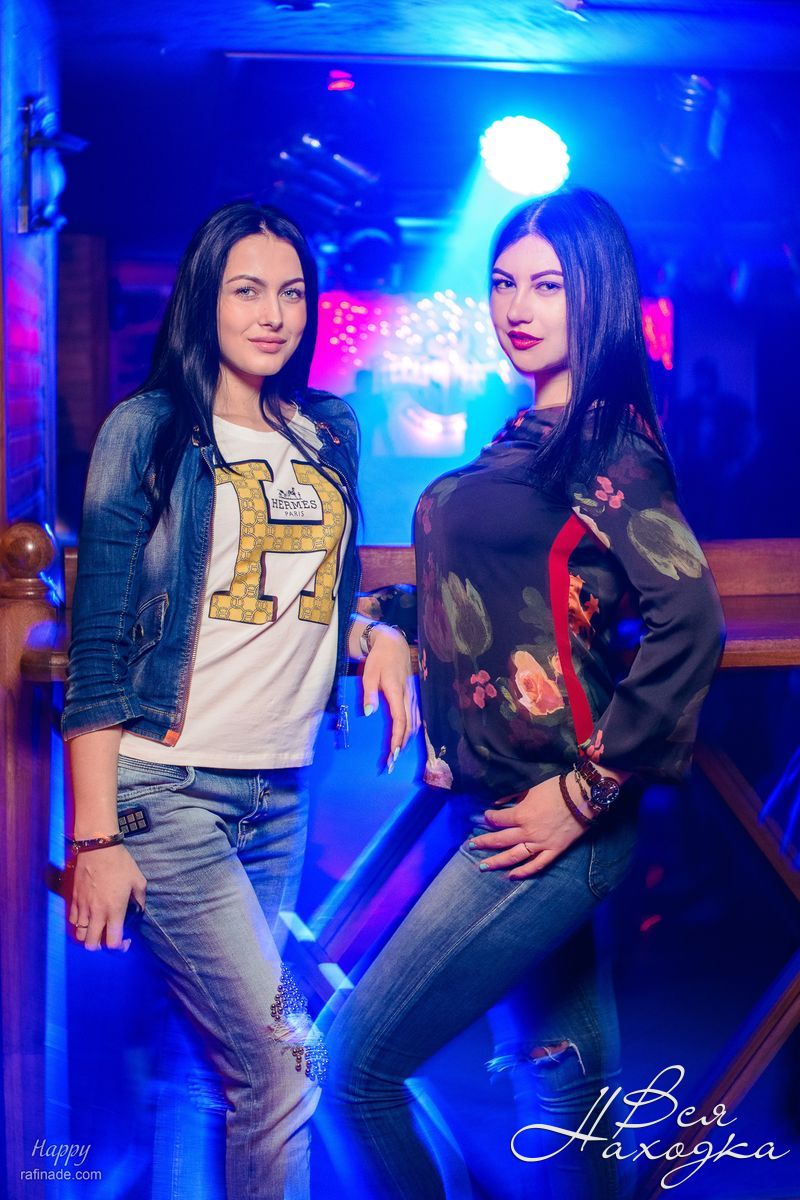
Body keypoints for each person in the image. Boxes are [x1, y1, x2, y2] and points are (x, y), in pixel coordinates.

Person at [326, 188, 726, 1199]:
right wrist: (385, 625)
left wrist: (587, 793)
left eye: (547, 285)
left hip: (547, 817)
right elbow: (481, 594)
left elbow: (691, 619)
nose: (516, 306)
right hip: (496, 803)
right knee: (563, 1085)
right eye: (504, 282)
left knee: (349, 1073)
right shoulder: (529, 436)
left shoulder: (607, 445)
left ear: (597, 295)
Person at [61, 200, 417, 1200]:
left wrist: (377, 633)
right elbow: (98, 643)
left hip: (280, 791)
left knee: (206, 1065)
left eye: (291, 293)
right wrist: (95, 838)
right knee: (283, 1058)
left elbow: (310, 596)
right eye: (247, 290)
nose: (273, 315)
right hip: (165, 791)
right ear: (202, 299)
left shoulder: (327, 429)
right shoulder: (147, 430)